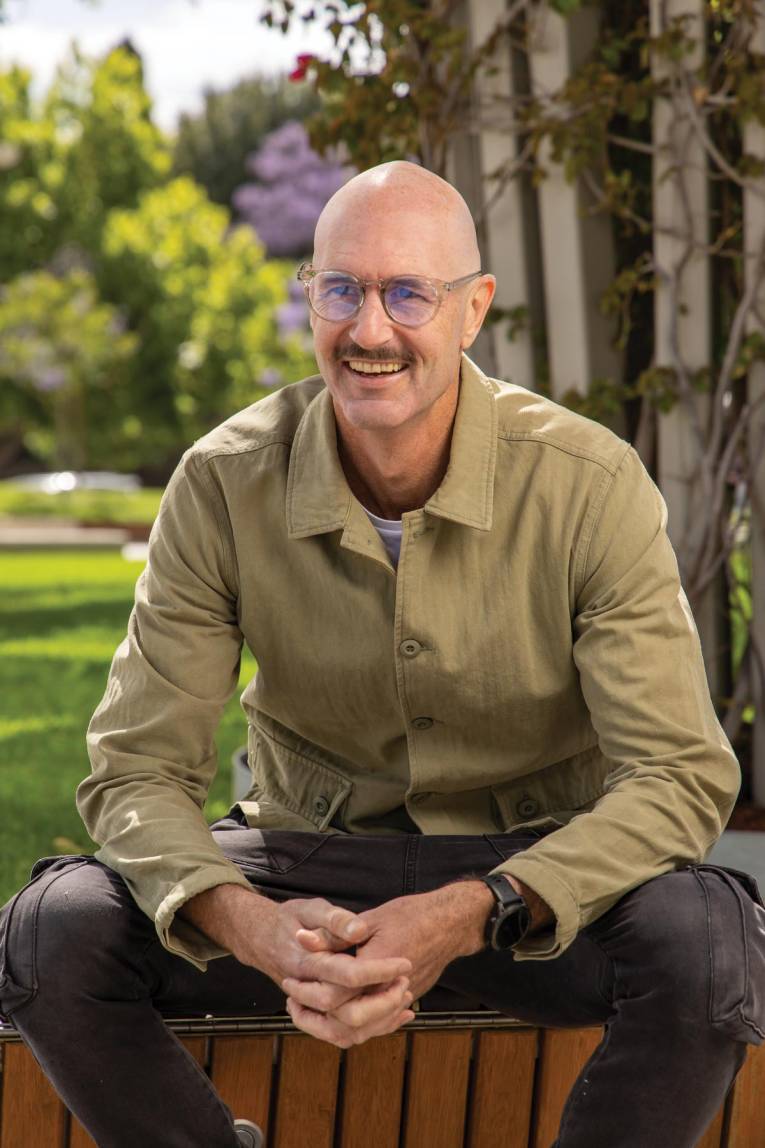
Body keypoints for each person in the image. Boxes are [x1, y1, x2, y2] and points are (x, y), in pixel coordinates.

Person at [1, 161, 763, 1148]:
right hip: (299, 865)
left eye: (408, 292)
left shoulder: (590, 484)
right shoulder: (222, 482)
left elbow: (679, 773)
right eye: (342, 290)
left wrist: (469, 909)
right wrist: (252, 925)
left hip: (527, 882)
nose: (369, 330)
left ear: (473, 309)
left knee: (707, 939)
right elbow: (136, 770)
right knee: (52, 927)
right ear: (307, 298)